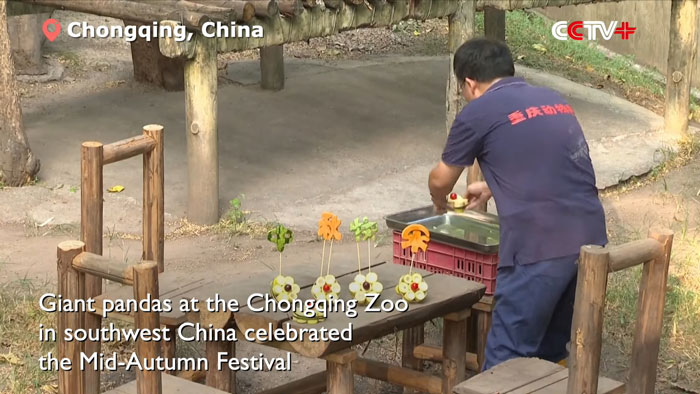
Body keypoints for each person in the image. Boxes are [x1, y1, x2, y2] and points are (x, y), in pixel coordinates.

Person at [428, 37, 607, 370]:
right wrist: (494, 188)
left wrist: (439, 203)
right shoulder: (551, 98)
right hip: (591, 239)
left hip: (539, 247)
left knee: (506, 358)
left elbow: (441, 179)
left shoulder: (477, 111)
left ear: (469, 83)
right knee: (552, 352)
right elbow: (553, 162)